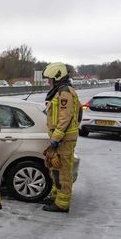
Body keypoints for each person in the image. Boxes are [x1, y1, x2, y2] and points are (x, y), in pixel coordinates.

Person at [42, 62, 80, 213]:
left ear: (57, 77)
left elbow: (65, 118)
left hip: (64, 139)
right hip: (60, 138)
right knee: (55, 169)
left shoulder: (65, 92)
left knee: (63, 171)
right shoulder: (58, 91)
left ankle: (62, 204)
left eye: (50, 79)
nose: (48, 81)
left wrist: (56, 138)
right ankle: (56, 197)